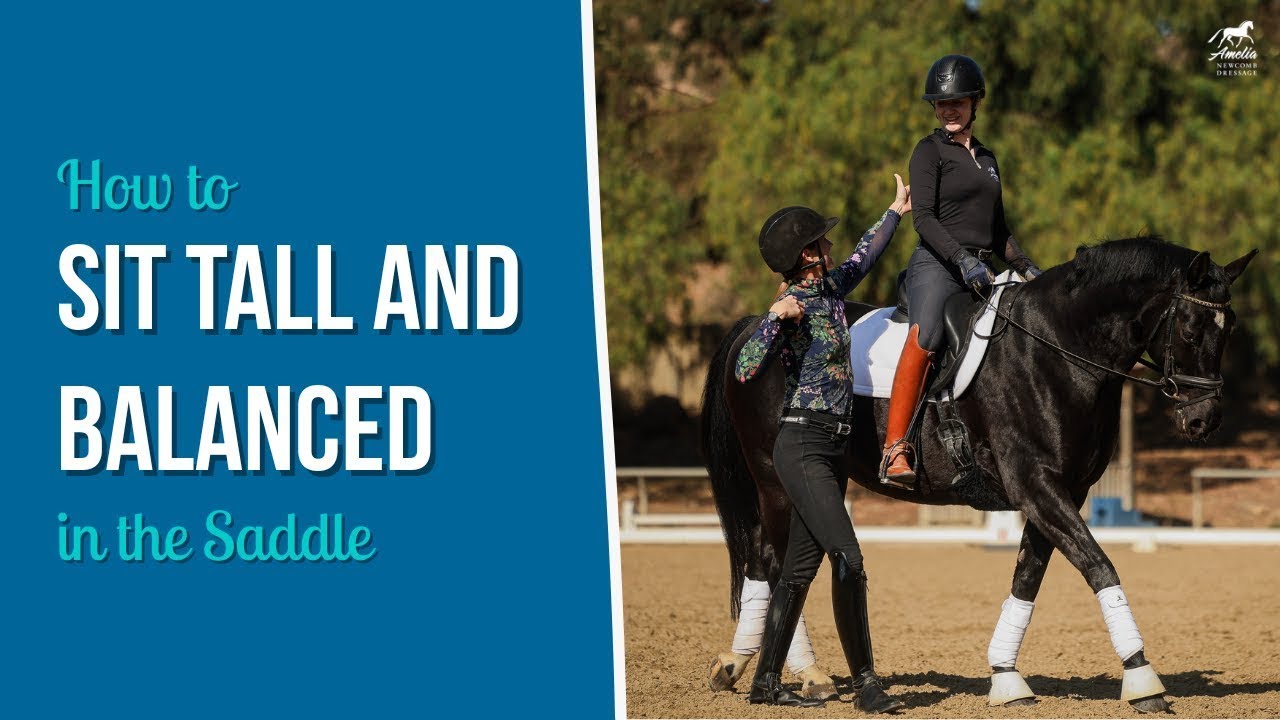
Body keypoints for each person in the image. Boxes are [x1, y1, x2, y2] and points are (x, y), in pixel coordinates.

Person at [733, 175, 910, 712]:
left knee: (798, 570)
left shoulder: (830, 290)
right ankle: (867, 684)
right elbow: (744, 370)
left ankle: (765, 683)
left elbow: (864, 256)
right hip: (803, 444)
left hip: (832, 449)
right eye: (822, 240)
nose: (831, 245)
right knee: (849, 558)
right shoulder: (793, 305)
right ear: (808, 254)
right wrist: (772, 320)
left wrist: (895, 212)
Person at [882, 54, 1044, 487]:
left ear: (975, 103)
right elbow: (924, 219)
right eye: (941, 103)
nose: (948, 110)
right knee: (927, 335)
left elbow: (998, 229)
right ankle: (895, 446)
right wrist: (961, 259)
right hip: (937, 264)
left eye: (957, 102)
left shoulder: (988, 158)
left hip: (981, 268)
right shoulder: (929, 150)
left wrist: (1028, 267)